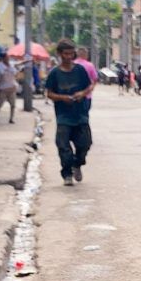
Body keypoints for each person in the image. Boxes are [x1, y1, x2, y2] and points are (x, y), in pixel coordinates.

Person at [45, 39, 94, 186]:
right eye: (65, 53)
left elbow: (90, 86)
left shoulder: (80, 70)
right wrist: (62, 98)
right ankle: (67, 173)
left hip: (80, 114)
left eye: (71, 53)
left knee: (85, 144)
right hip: (63, 116)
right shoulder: (54, 73)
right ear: (59, 54)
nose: (68, 56)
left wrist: (82, 93)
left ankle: (77, 164)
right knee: (63, 146)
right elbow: (49, 93)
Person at [0, 51, 18, 124]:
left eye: (8, 57)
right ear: (3, 58)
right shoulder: (0, 67)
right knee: (0, 103)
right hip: (3, 88)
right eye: (7, 57)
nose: (8, 59)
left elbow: (15, 72)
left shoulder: (11, 65)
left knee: (13, 105)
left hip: (12, 87)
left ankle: (11, 119)